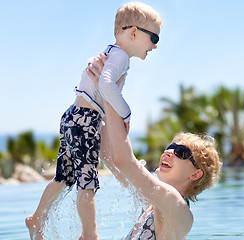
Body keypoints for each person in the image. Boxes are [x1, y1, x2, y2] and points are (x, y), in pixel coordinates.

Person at [25, 2, 162, 240]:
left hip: (72, 116)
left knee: (63, 178)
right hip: (86, 121)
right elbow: (106, 85)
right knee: (87, 184)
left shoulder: (109, 52)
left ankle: (37, 217)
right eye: (153, 37)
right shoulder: (120, 57)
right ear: (133, 33)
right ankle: (90, 234)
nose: (155, 45)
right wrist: (126, 113)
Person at [87, 58, 222, 239]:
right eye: (171, 147)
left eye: (181, 153)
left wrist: (108, 90)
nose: (169, 152)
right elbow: (110, 157)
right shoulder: (152, 201)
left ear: (195, 174)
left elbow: (124, 161)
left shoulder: (176, 206)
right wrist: (99, 99)